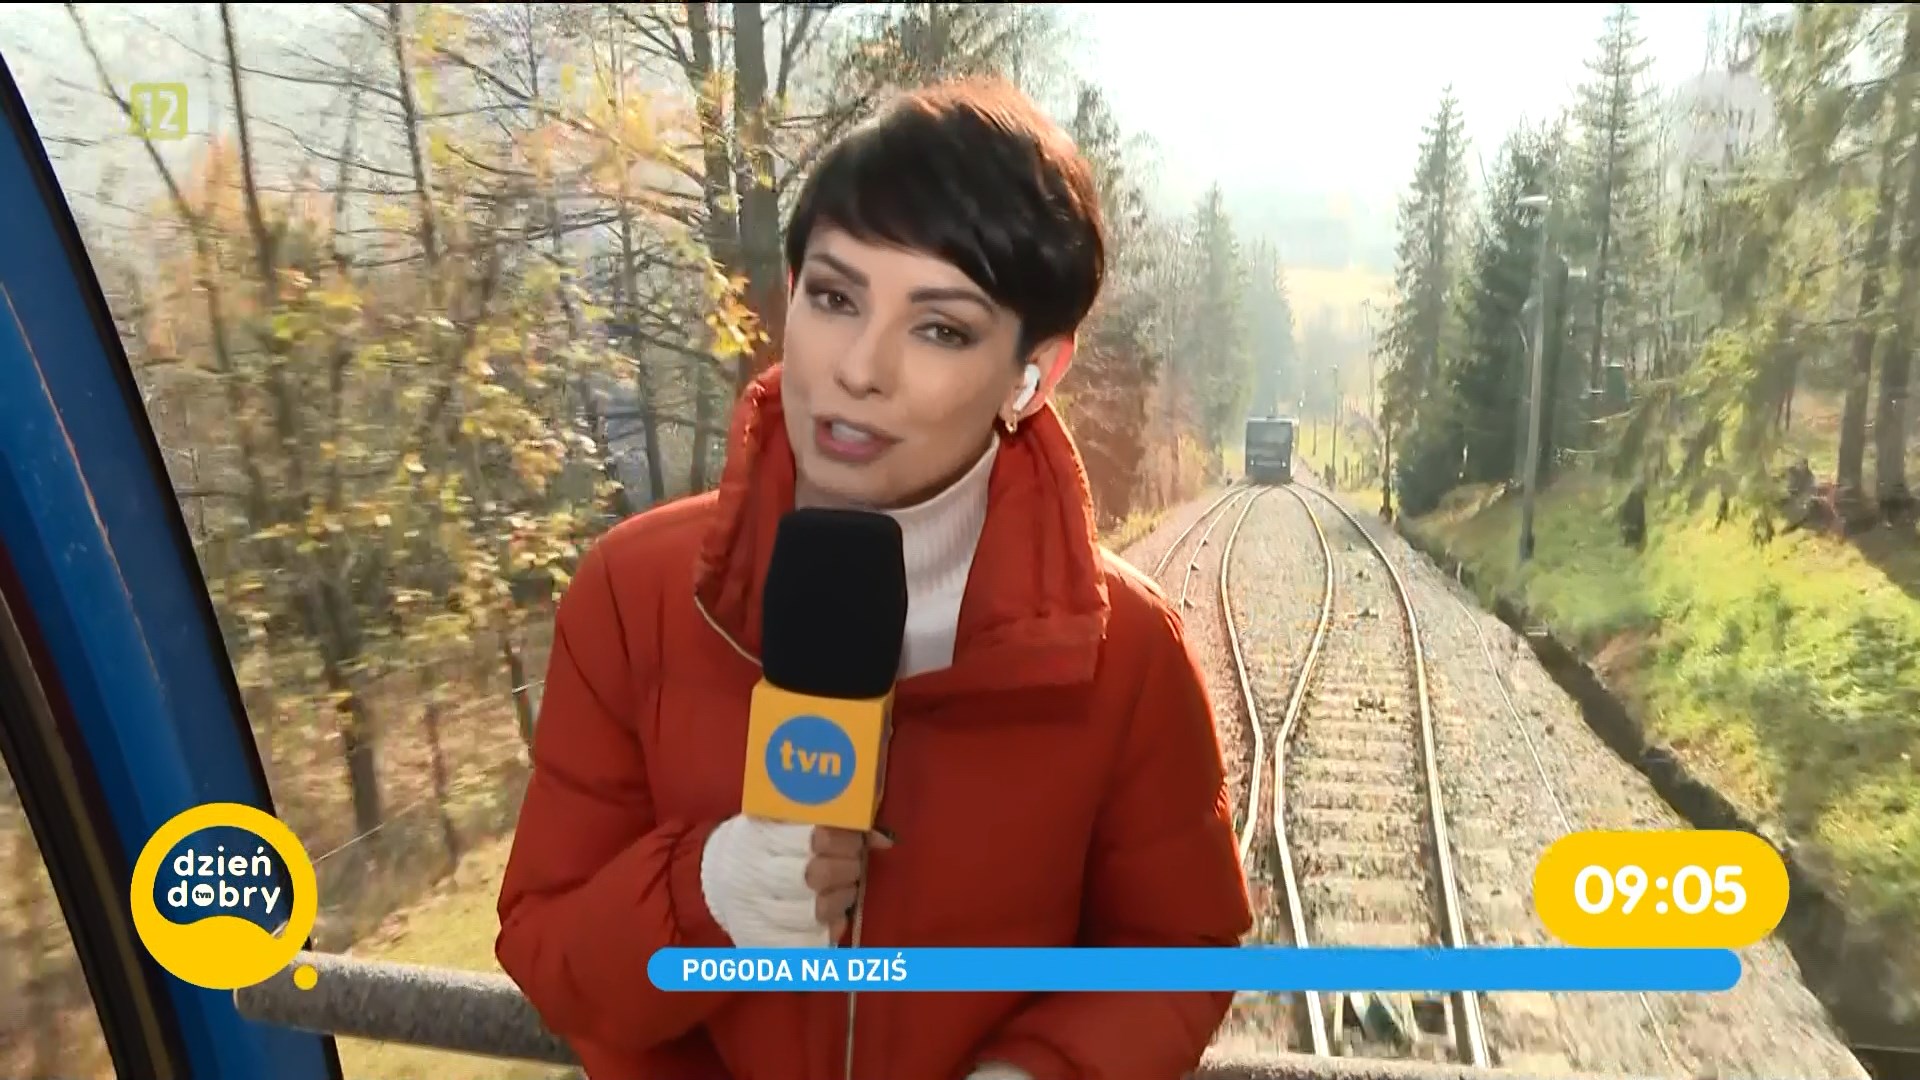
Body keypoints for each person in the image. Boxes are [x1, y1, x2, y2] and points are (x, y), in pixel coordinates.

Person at [494, 76, 1253, 1080]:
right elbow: (546, 949)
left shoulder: (1132, 657)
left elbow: (1178, 949)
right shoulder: (632, 598)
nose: (858, 367)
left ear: (1034, 375)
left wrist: (1039, 1072)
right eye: (835, 297)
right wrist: (702, 896)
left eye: (940, 328)